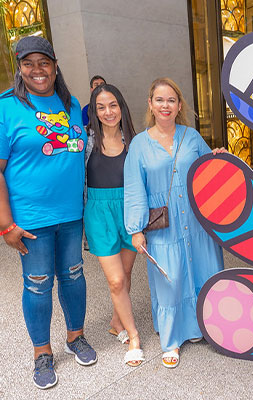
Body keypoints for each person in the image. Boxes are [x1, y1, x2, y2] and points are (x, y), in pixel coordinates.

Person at [0, 36, 96, 390]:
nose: (37, 70)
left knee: (73, 275)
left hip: (71, 215)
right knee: (38, 285)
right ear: (19, 68)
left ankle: (76, 337)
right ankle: (42, 353)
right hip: (30, 220)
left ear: (55, 66)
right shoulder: (6, 107)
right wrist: (5, 224)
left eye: (44, 63)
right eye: (29, 64)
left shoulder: (71, 104)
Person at [124, 77, 224, 368]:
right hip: (163, 225)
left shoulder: (191, 136)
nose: (165, 105)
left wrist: (217, 157)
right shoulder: (140, 145)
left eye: (171, 100)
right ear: (150, 104)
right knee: (170, 278)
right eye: (159, 100)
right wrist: (136, 230)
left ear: (179, 105)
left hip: (197, 221)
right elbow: (134, 188)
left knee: (203, 270)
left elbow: (209, 170)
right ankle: (171, 339)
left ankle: (201, 327)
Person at [85, 84, 144, 367]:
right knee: (116, 279)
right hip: (99, 213)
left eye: (113, 105)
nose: (108, 112)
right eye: (101, 107)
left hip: (128, 211)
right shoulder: (85, 141)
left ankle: (116, 320)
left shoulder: (134, 140)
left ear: (121, 107)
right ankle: (133, 336)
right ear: (94, 112)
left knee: (127, 271)